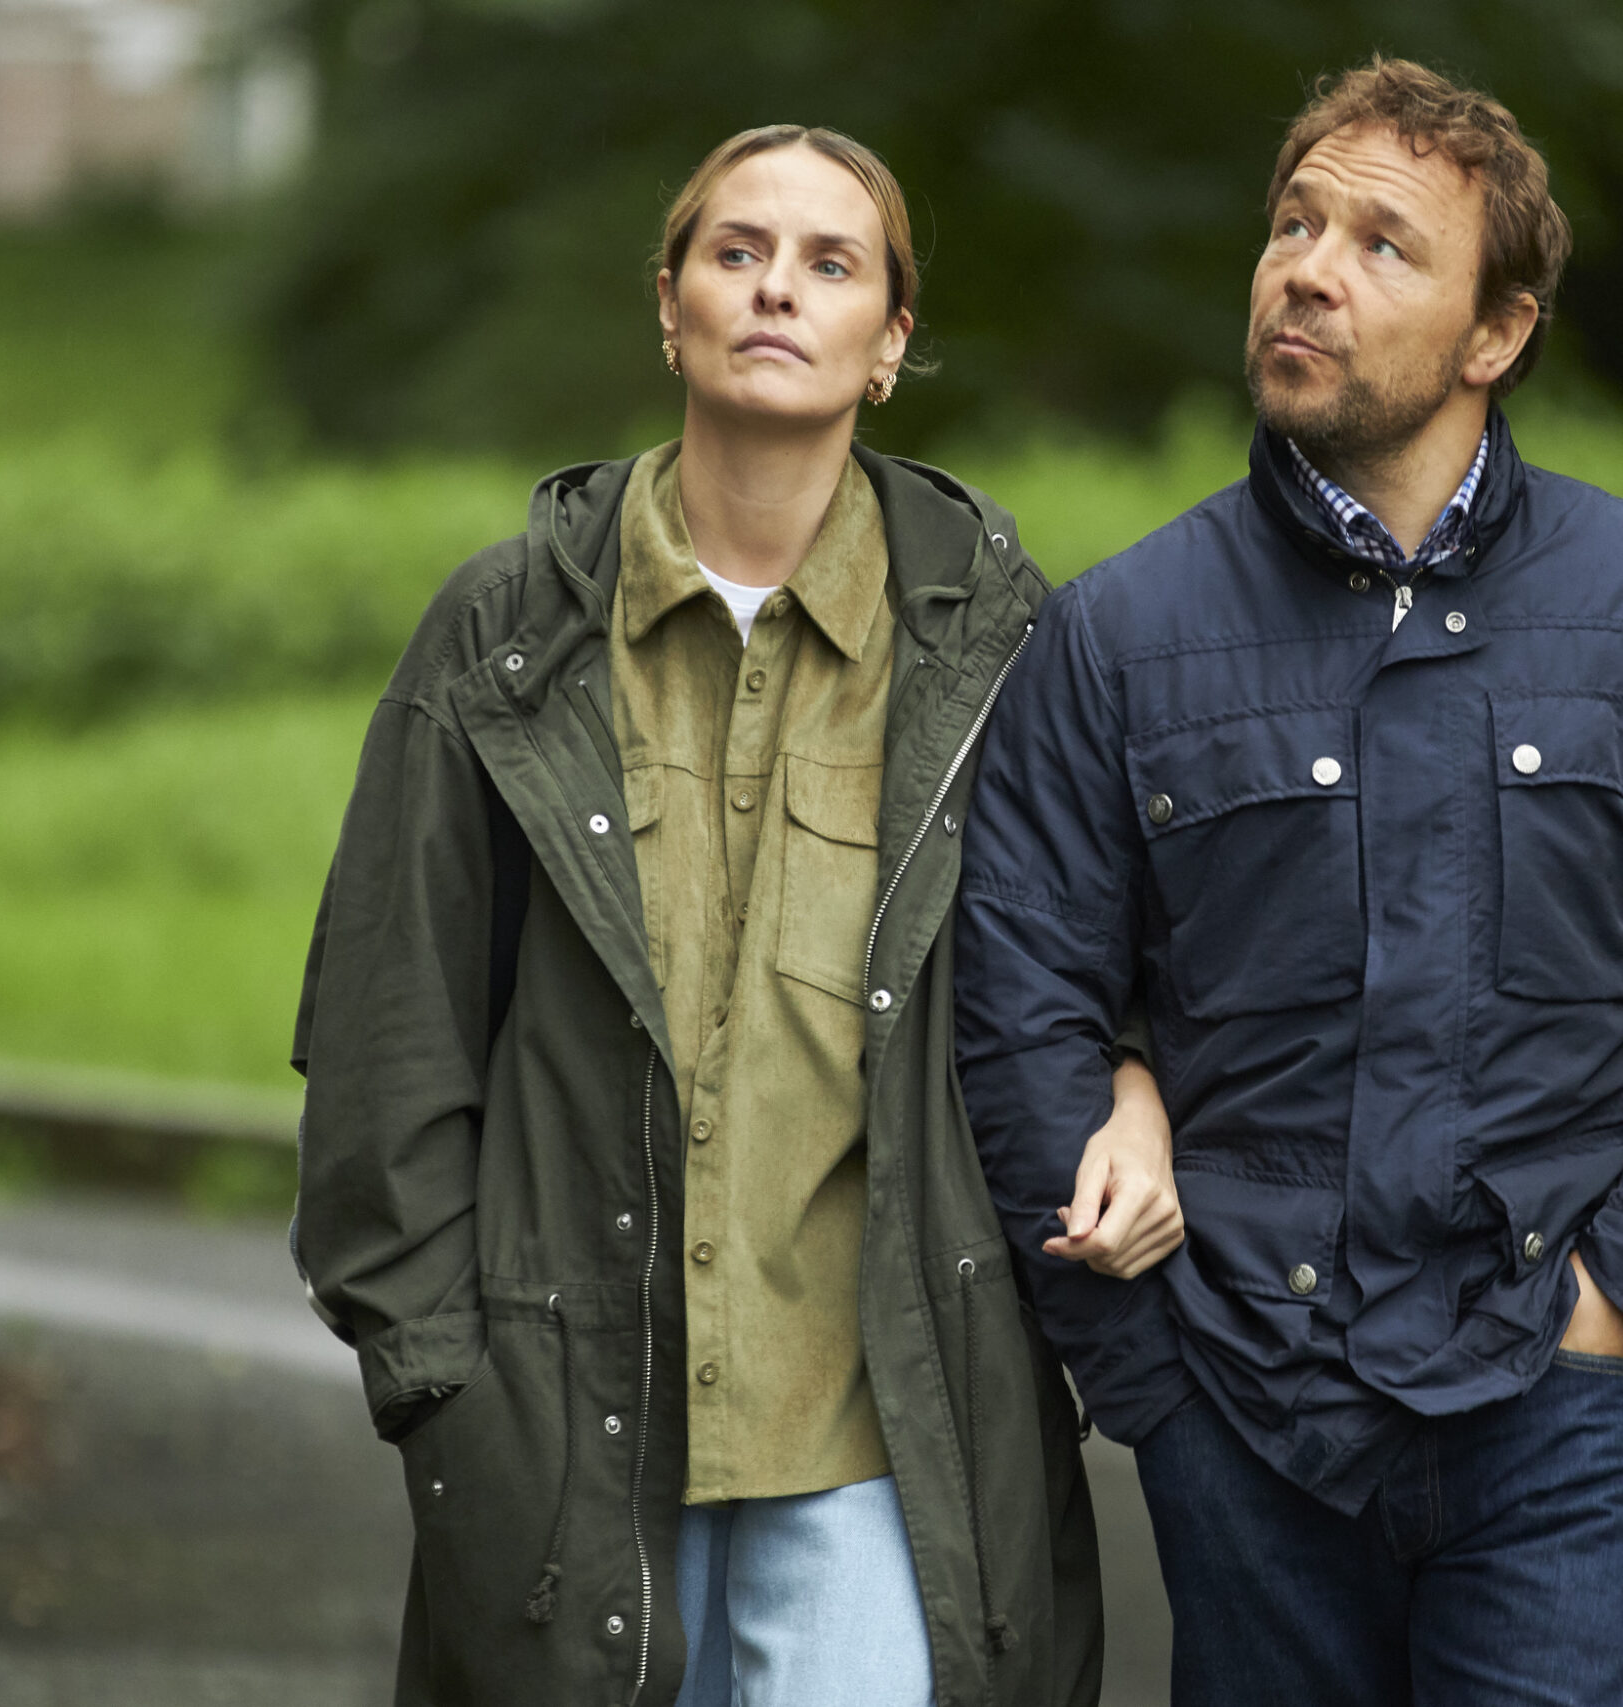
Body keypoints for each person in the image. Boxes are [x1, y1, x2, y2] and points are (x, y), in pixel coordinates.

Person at [953, 57, 1623, 1707]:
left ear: (1495, 334)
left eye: (1382, 243)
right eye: (1294, 221)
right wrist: (1146, 1382)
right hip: (1246, 1418)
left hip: (1558, 1410)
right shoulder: (1119, 637)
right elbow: (1023, 1006)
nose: (1308, 266)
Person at [292, 124, 1182, 1707]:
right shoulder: (504, 633)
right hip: (567, 1440)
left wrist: (1134, 1088)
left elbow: (1112, 966)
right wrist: (446, 1395)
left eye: (831, 264)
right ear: (670, 306)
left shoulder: (1000, 648)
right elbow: (385, 1040)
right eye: (737, 251)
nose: (779, 288)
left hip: (873, 1445)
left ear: (891, 342)